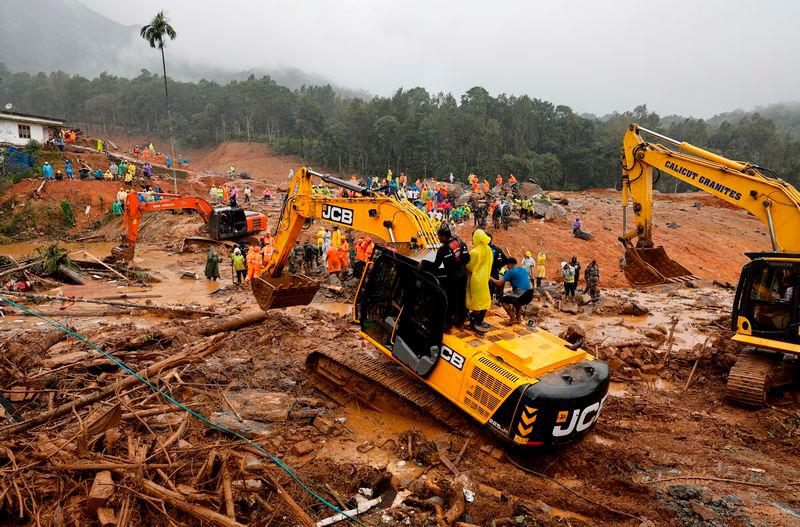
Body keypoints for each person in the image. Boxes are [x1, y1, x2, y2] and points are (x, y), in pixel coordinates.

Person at [420, 225, 470, 328]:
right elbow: (467, 258)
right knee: (461, 299)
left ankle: (447, 324)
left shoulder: (443, 249)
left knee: (450, 300)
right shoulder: (462, 244)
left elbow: (435, 266)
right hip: (463, 277)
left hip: (452, 279)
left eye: (439, 236)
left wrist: (423, 263)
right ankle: (460, 321)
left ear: (444, 237)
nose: (438, 238)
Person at [490, 257, 534, 325]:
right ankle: (518, 318)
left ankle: (512, 318)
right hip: (530, 294)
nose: (507, 267)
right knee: (516, 300)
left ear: (510, 264)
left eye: (507, 265)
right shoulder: (523, 269)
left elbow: (499, 283)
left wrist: (490, 278)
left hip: (522, 295)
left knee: (503, 300)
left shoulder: (510, 271)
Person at [466, 229, 493, 333]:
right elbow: (490, 263)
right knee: (483, 300)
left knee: (474, 302)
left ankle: (473, 324)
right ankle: (478, 321)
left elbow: (469, 267)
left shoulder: (474, 252)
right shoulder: (489, 250)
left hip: (475, 279)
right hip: (485, 278)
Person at [488, 233, 507, 302]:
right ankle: (497, 300)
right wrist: (498, 266)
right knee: (494, 287)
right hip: (495, 271)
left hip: (488, 272)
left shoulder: (485, 249)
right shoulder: (497, 249)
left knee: (489, 289)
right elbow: (505, 259)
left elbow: (505, 259)